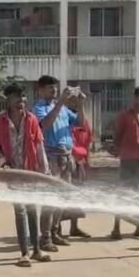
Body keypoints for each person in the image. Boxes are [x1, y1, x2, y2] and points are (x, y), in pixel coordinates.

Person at [0, 84, 52, 267]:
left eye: (23, 97)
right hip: (13, 173)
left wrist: (45, 172)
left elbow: (39, 145)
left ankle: (37, 251)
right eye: (17, 97)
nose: (21, 101)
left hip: (30, 172)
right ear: (7, 100)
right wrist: (3, 164)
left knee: (33, 210)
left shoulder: (31, 119)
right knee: (20, 211)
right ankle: (24, 253)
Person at [32, 76, 86, 251]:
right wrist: (60, 103)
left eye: (55, 88)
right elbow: (44, 125)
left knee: (62, 199)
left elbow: (79, 122)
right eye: (50, 88)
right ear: (40, 91)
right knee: (50, 199)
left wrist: (80, 105)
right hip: (51, 157)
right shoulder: (38, 109)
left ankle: (55, 232)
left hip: (66, 156)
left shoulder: (62, 109)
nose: (54, 91)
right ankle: (45, 237)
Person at [109, 87, 139, 240]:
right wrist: (115, 149)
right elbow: (117, 136)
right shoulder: (125, 116)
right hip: (128, 160)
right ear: (135, 98)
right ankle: (116, 228)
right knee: (124, 194)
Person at [62, 98, 92, 239]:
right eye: (72, 102)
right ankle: (57, 229)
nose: (74, 104)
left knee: (76, 196)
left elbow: (88, 143)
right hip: (68, 161)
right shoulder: (64, 121)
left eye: (77, 102)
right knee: (62, 195)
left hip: (81, 163)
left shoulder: (84, 123)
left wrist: (87, 162)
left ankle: (74, 227)